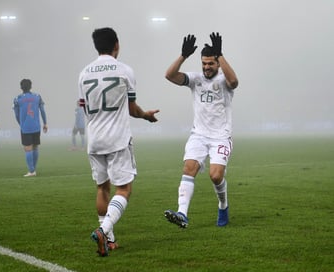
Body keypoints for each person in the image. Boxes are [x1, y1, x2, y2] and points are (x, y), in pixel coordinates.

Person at [78, 27, 159, 257]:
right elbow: (132, 109)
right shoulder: (125, 71)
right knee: (123, 188)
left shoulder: (84, 73)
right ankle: (104, 230)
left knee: (102, 188)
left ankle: (110, 240)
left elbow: (84, 107)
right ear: (117, 44)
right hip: (117, 138)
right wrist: (146, 115)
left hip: (94, 139)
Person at [164, 32, 239, 228]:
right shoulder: (195, 79)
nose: (206, 67)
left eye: (210, 64)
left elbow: (235, 82)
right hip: (198, 135)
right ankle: (182, 214)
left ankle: (223, 205)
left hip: (221, 137)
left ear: (218, 64)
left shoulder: (224, 81)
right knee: (189, 168)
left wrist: (221, 54)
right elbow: (169, 75)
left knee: (215, 175)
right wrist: (183, 56)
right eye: (204, 63)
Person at [13, 79, 48, 177]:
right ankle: (33, 169)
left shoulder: (17, 99)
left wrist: (21, 123)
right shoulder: (37, 97)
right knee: (35, 147)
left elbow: (16, 114)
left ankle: (31, 171)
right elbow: (42, 111)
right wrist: (45, 123)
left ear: (21, 87)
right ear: (31, 86)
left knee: (28, 148)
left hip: (25, 127)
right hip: (36, 126)